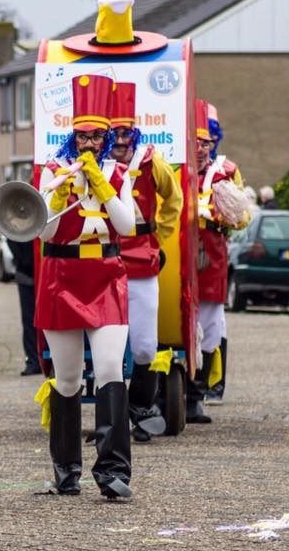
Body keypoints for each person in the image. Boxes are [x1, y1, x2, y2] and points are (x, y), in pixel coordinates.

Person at [37, 73, 136, 499]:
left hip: (107, 277)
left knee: (112, 369)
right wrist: (57, 196)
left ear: (108, 137)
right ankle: (66, 468)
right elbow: (42, 233)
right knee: (69, 379)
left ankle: (114, 471)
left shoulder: (119, 173)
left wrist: (102, 184)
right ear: (72, 137)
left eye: (97, 136)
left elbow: (127, 226)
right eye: (83, 136)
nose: (90, 144)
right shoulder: (51, 172)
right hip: (61, 278)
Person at [108, 81, 183, 442]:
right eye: (114, 133)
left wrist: (159, 234)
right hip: (102, 263)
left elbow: (174, 199)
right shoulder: (94, 165)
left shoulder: (154, 164)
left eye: (126, 133)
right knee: (100, 349)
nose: (120, 141)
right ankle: (108, 416)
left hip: (141, 263)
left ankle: (141, 405)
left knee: (144, 345)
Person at [188, 101, 249, 422]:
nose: (199, 149)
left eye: (206, 142)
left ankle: (197, 394)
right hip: (177, 257)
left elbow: (242, 218)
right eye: (194, 141)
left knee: (210, 326)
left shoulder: (226, 171)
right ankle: (167, 389)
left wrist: (220, 213)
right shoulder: (172, 167)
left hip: (211, 257)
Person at [7, 238, 41, 376]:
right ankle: (33, 361)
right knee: (29, 320)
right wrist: (23, 260)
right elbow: (12, 237)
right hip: (26, 274)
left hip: (48, 271)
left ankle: (51, 360)